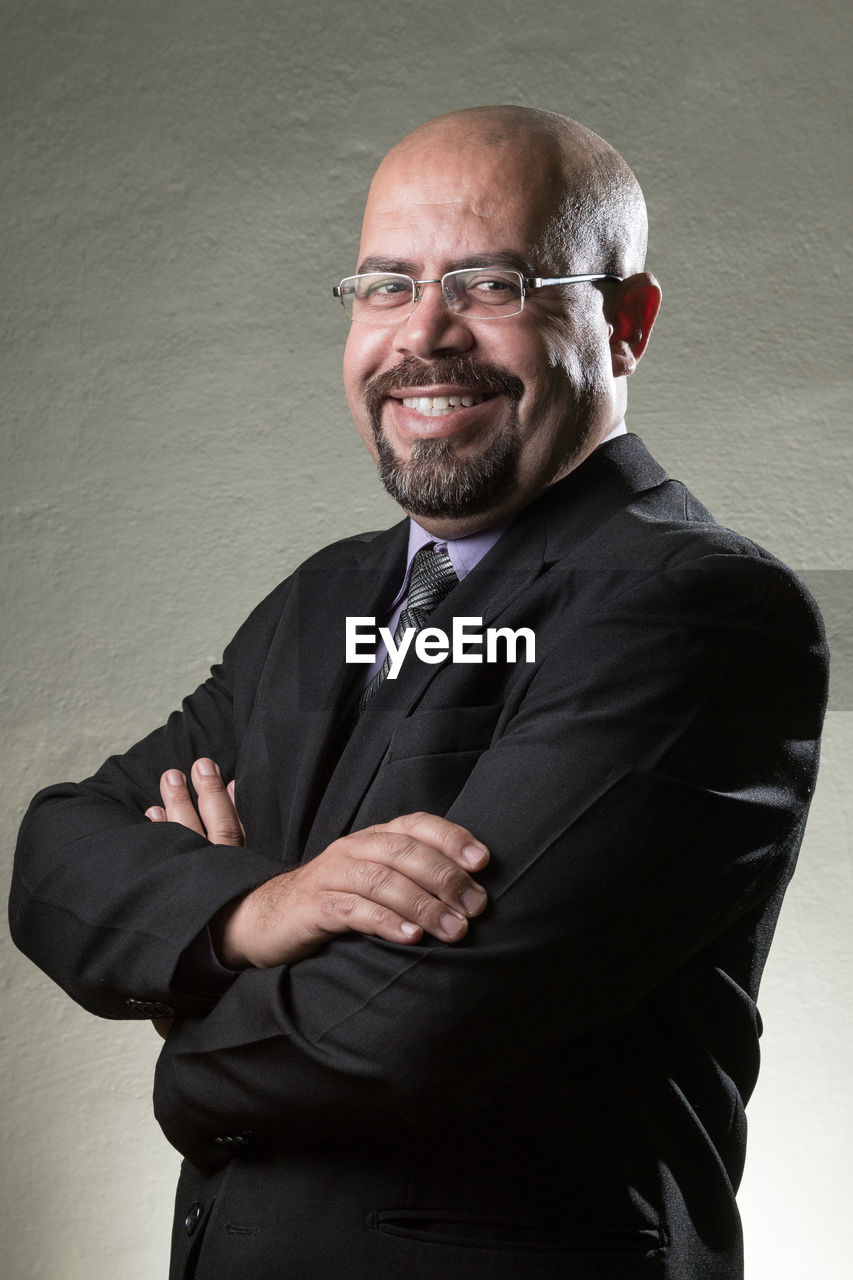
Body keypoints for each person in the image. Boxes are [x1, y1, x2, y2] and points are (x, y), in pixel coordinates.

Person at [10, 106, 828, 1280]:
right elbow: (56, 854)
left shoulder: (692, 607)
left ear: (625, 322)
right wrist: (261, 910)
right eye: (387, 284)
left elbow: (406, 1029)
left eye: (490, 283)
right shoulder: (326, 595)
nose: (424, 334)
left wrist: (185, 1028)